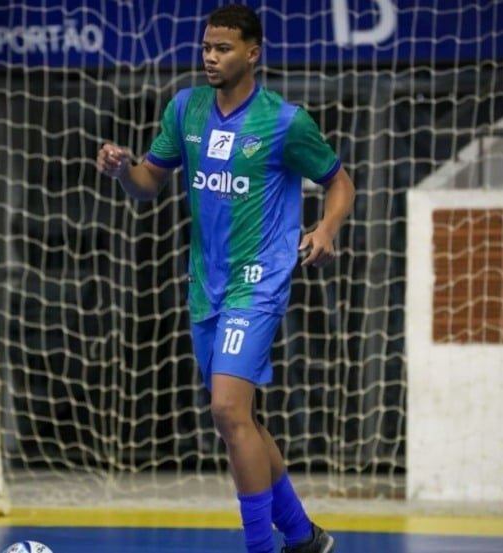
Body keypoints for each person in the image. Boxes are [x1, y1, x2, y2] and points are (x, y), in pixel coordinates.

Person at [96, 5, 355, 553]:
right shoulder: (185, 109)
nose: (210, 58)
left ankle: (261, 547)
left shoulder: (285, 121)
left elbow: (340, 182)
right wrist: (123, 170)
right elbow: (148, 184)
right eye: (206, 48)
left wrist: (326, 229)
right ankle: (304, 537)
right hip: (205, 284)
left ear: (252, 53)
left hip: (258, 282)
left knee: (227, 409)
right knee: (240, 422)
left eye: (223, 49)